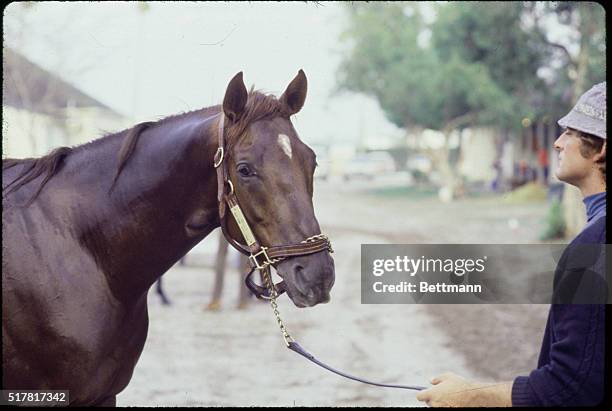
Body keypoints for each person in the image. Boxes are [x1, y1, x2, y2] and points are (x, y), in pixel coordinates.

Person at [416, 82, 606, 407]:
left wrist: (468, 396)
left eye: (571, 133)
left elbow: (573, 386)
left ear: (601, 148)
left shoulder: (596, 245)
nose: (558, 143)